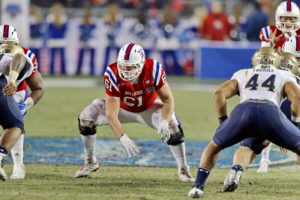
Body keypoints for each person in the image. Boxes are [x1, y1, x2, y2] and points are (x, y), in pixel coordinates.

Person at [188, 47, 300, 198]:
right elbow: (297, 98)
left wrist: (223, 122)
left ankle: (198, 187)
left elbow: (219, 93)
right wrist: (294, 125)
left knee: (214, 146)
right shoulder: (284, 75)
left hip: (243, 112)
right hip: (270, 113)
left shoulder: (243, 73)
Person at [75, 43, 194, 182]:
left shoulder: (153, 68)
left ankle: (183, 168)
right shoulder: (112, 72)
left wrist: (164, 121)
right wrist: (122, 136)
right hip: (122, 109)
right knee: (86, 117)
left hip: (149, 109)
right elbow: (111, 114)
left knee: (173, 126)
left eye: (130, 66)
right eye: (123, 65)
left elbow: (168, 100)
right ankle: (90, 161)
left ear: (141, 64)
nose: (125, 70)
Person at [236, 0, 300, 173]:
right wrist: (271, 46)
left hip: (296, 79)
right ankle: (264, 158)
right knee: (270, 112)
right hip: (275, 79)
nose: (288, 23)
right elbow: (263, 61)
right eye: (285, 19)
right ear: (278, 18)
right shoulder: (269, 32)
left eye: (292, 18)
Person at [0, 25, 44, 181]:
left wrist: (25, 105)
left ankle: (18, 163)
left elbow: (39, 88)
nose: (5, 48)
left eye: (9, 44)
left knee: (15, 122)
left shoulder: (25, 55)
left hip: (17, 92)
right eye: (1, 44)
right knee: (14, 124)